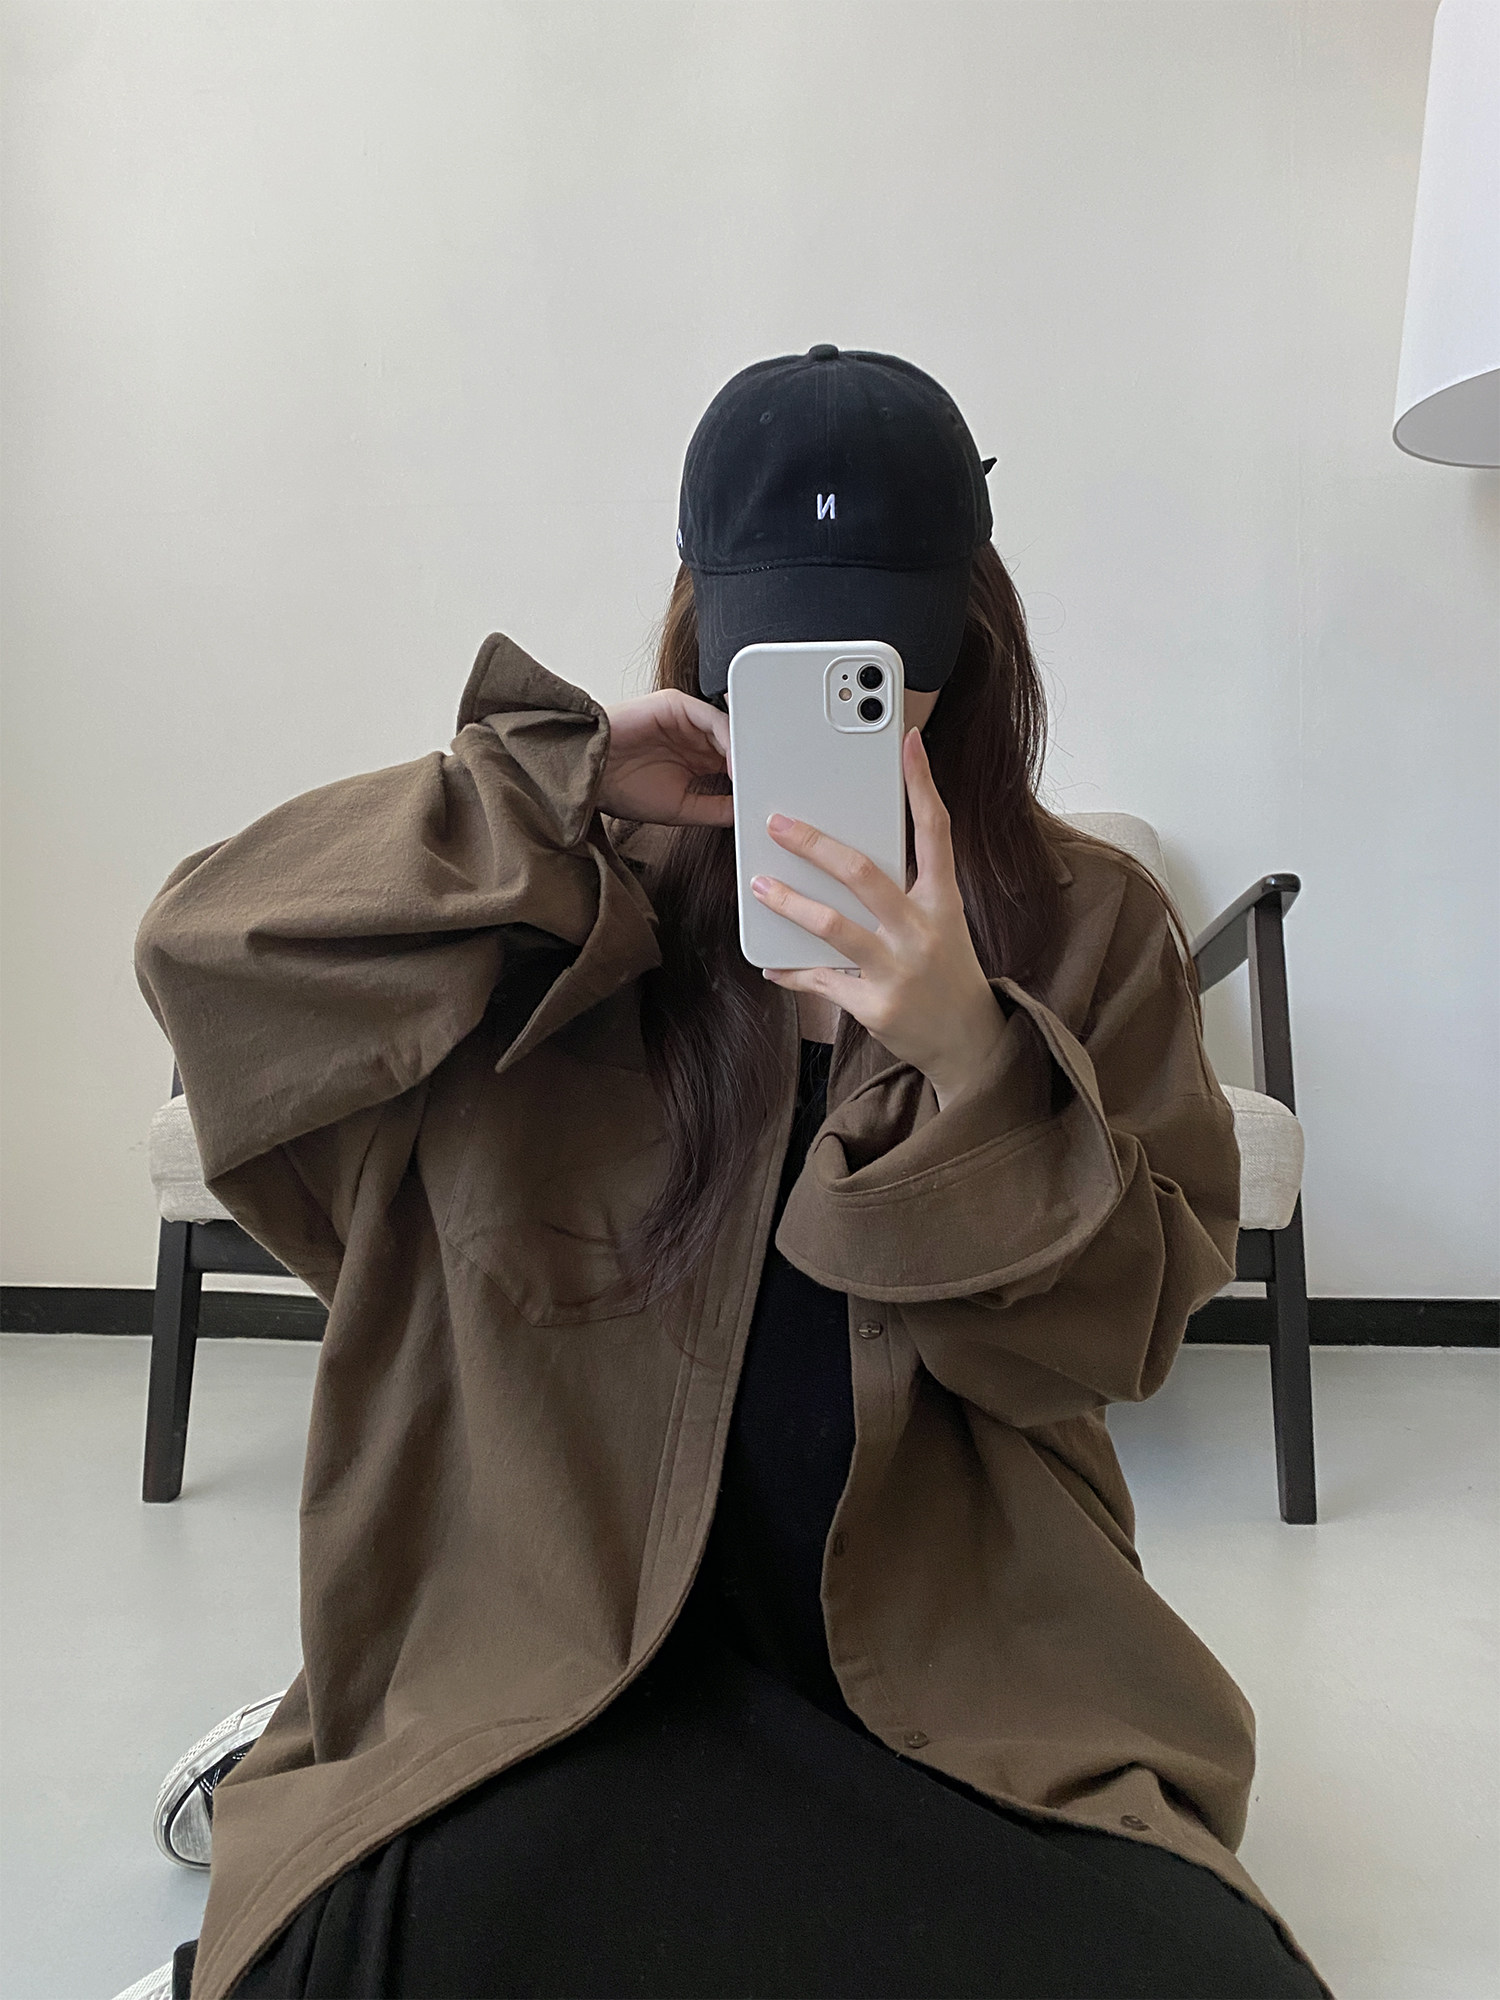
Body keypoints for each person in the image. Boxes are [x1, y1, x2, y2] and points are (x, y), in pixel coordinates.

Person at [119, 346, 1333, 2000]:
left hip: (957, 1701)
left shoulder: (1086, 923)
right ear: (702, 628)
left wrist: (973, 1055)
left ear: (973, 630)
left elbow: (1119, 1334)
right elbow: (208, 957)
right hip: (544, 1691)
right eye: (785, 654)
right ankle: (324, 1746)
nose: (843, 694)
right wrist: (535, 792)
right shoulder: (543, 895)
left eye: (883, 653)